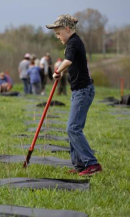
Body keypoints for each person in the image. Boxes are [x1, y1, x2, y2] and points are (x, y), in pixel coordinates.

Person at [47, 14, 102, 176]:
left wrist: (57, 71)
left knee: (73, 128)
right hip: (79, 90)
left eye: (58, 33)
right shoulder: (74, 41)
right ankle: (79, 165)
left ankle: (92, 164)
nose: (57, 37)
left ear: (67, 29)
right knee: (74, 128)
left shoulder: (73, 43)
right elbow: (72, 66)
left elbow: (68, 61)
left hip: (83, 91)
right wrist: (61, 74)